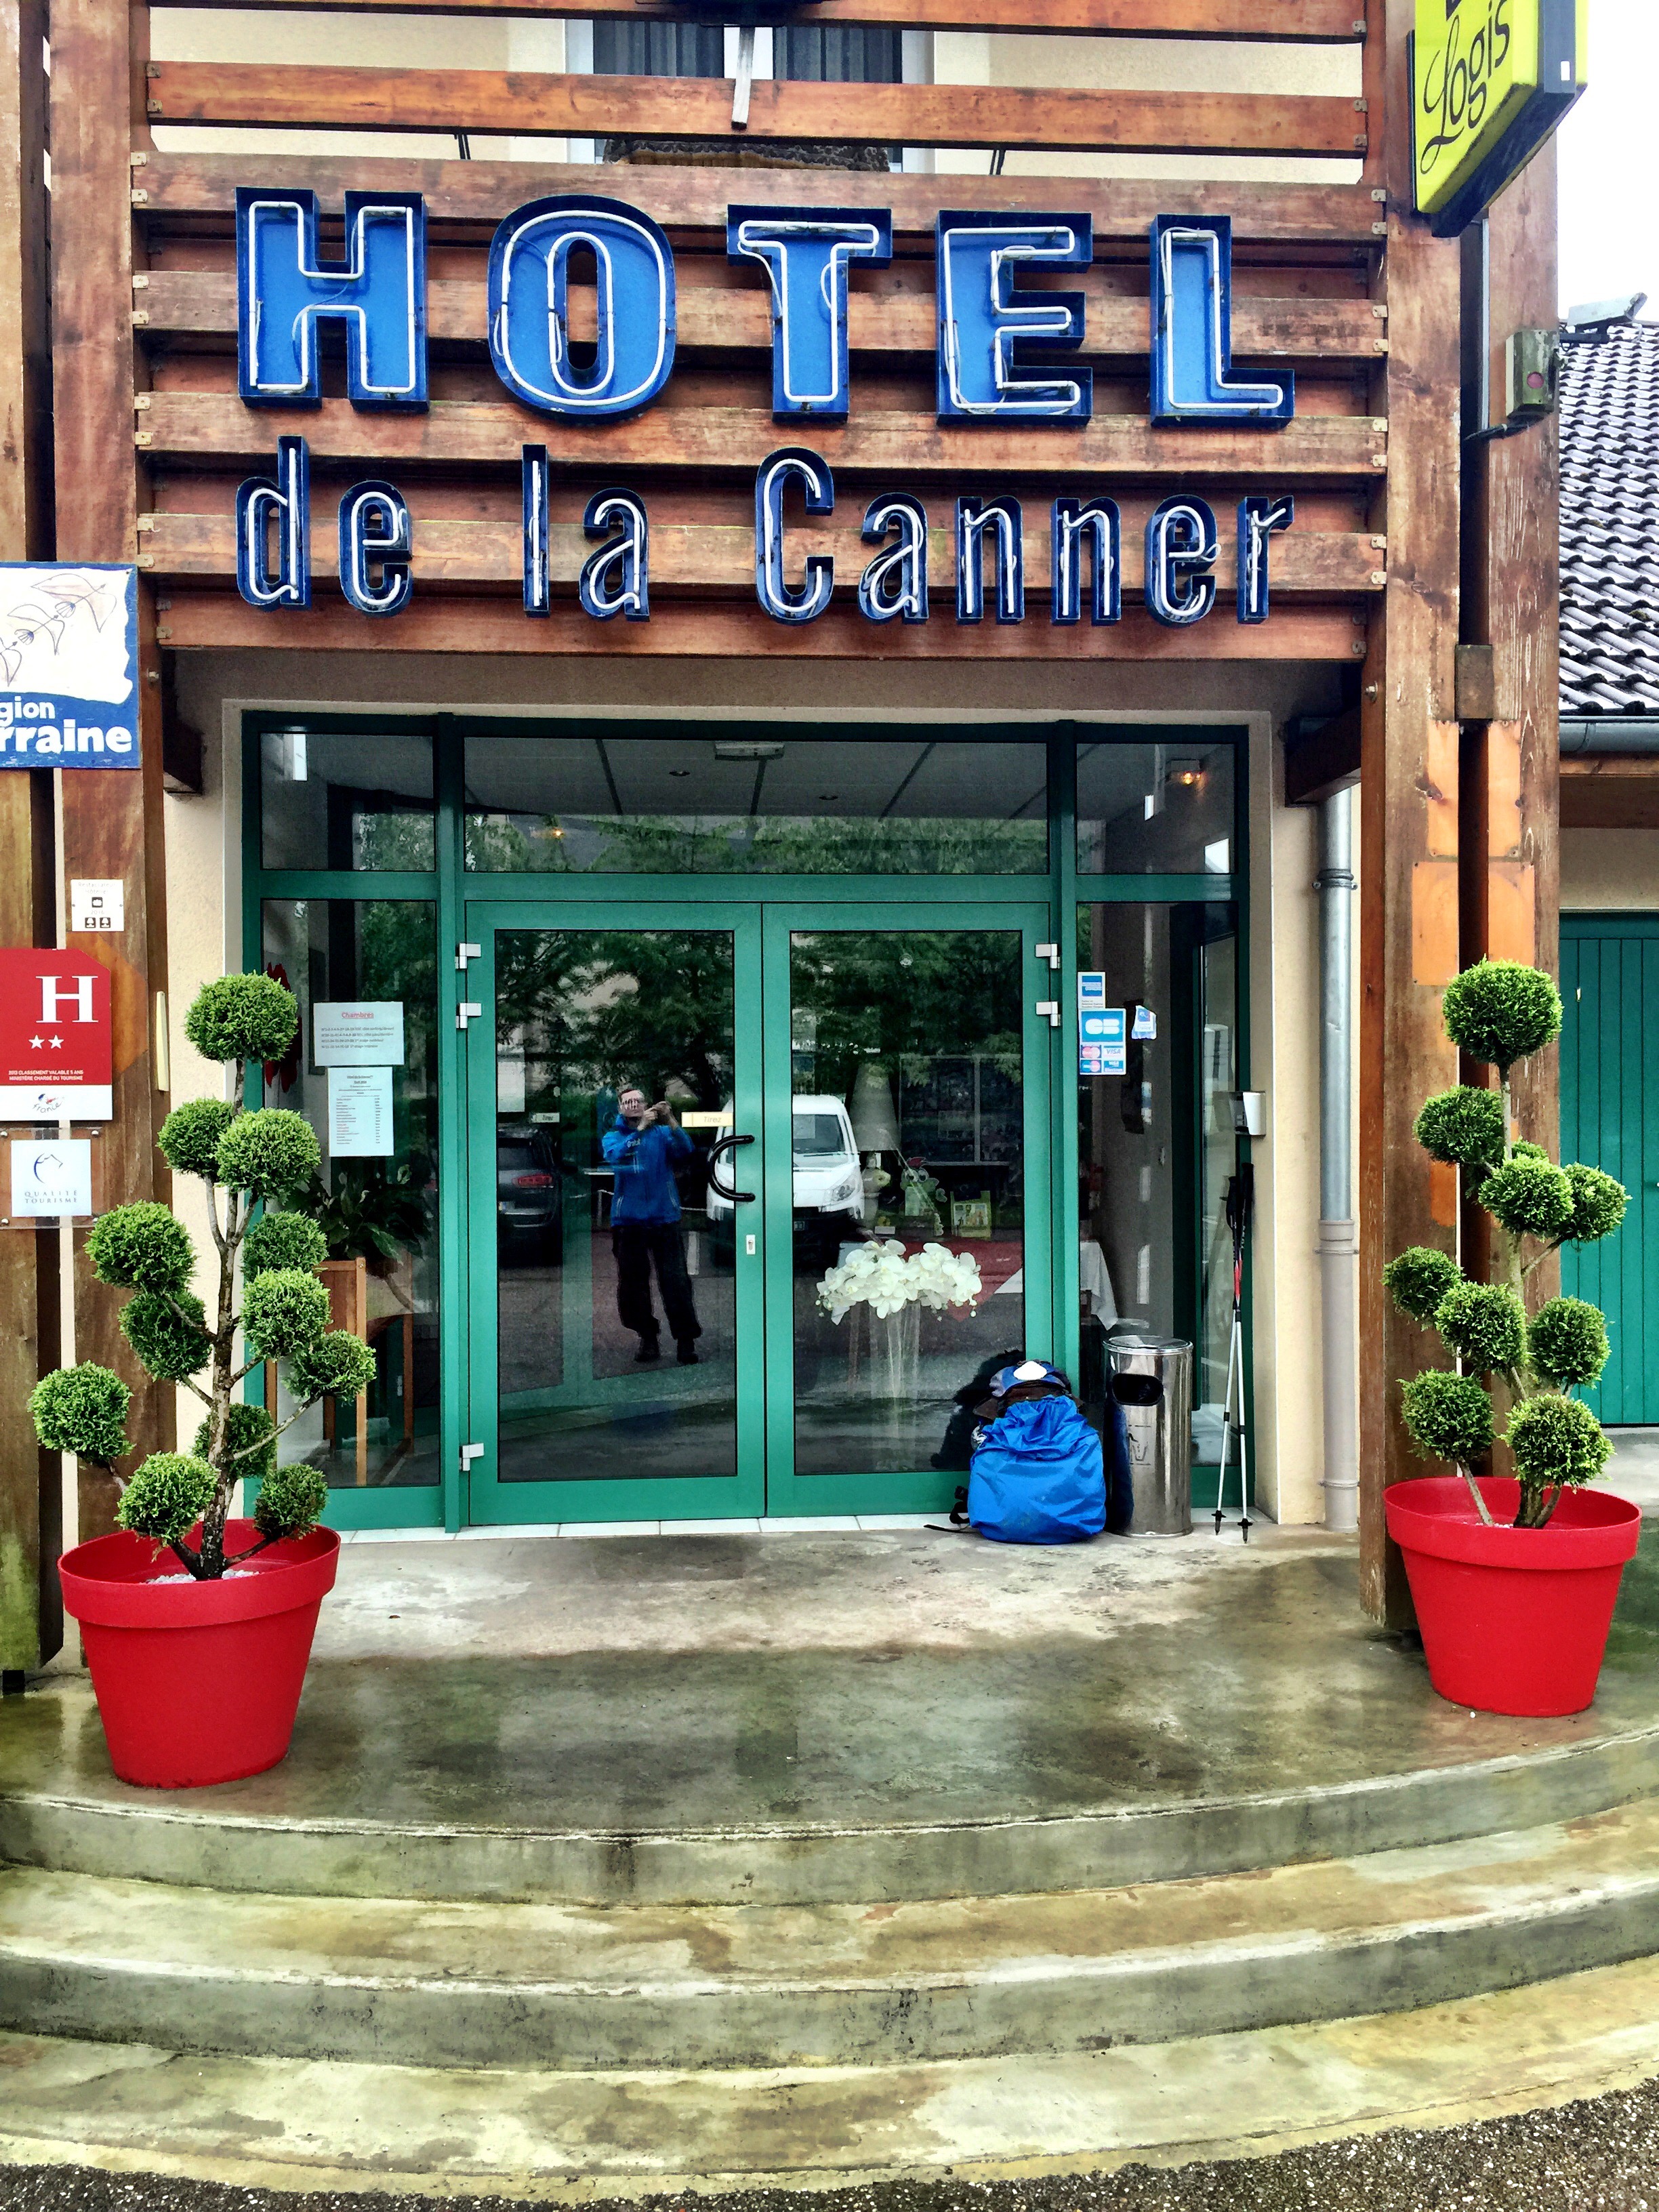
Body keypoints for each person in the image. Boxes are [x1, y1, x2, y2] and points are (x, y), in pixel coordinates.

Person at [601, 1084, 703, 1365]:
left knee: (676, 1282)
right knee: (633, 1285)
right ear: (621, 1108)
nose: (634, 1105)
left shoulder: (661, 1134)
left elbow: (686, 1150)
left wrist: (670, 1120)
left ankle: (686, 1340)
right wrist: (639, 1130)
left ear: (646, 1104)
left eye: (638, 1101)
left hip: (664, 1217)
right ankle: (647, 1337)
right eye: (628, 1102)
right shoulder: (613, 1136)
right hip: (628, 1221)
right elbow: (616, 1157)